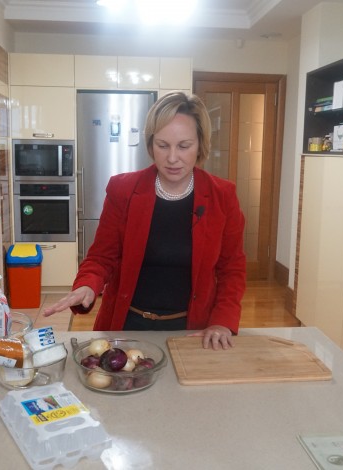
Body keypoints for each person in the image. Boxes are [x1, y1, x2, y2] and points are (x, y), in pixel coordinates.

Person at [42, 91, 246, 349]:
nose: (172, 157)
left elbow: (232, 268)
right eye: (163, 145)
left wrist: (222, 321)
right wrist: (88, 285)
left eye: (184, 146)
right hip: (126, 325)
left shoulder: (222, 195)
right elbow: (101, 257)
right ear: (150, 145)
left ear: (200, 145)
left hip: (192, 330)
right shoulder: (123, 190)